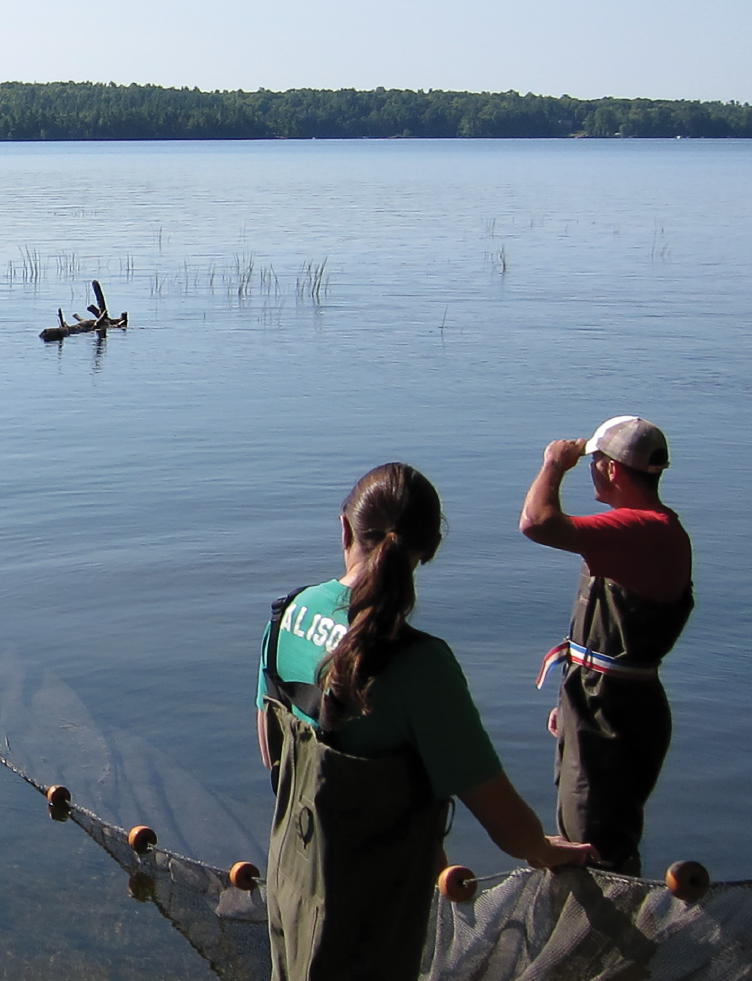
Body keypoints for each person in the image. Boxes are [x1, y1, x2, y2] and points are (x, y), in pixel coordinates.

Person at [256, 463, 593, 981]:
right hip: (368, 910)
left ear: (344, 528)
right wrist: (546, 850)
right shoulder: (420, 665)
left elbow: (273, 754)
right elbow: (505, 824)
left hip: (289, 880)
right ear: (430, 549)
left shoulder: (288, 614)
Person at [519, 416, 693, 877]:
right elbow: (600, 638)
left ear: (613, 470)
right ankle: (597, 938)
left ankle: (608, 943)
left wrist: (553, 466)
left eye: (595, 461)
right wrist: (570, 700)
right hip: (597, 700)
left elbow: (537, 522)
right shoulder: (640, 530)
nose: (591, 468)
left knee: (594, 848)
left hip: (612, 714)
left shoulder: (644, 529)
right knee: (583, 831)